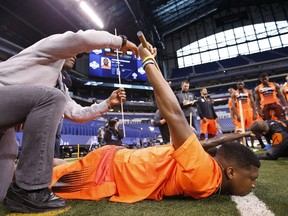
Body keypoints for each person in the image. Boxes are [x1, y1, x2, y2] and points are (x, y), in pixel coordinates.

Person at [50, 41, 260, 202]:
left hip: (116, 162)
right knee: (40, 182)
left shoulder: (203, 163)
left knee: (54, 167)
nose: (253, 186)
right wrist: (147, 60)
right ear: (231, 172)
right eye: (252, 179)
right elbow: (173, 114)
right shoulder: (205, 176)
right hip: (107, 171)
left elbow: (208, 141)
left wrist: (152, 62)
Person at [0, 29, 138, 213]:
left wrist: (107, 104)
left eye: (78, 54)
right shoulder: (50, 47)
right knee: (52, 98)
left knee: (3, 187)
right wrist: (121, 42)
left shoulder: (57, 83)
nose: (75, 55)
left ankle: (20, 191)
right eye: (74, 52)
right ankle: (28, 190)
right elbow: (82, 39)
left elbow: (77, 113)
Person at [55, 57, 74, 158]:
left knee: (57, 137)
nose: (74, 56)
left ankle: (55, 157)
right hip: (48, 113)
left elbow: (69, 83)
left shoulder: (63, 75)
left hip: (59, 114)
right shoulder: (50, 70)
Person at [231, 80, 257, 147]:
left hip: (249, 112)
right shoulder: (234, 93)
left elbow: (253, 102)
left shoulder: (248, 92)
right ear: (237, 85)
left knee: (252, 129)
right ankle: (242, 146)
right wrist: (237, 115)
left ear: (243, 85)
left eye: (241, 84)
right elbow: (233, 106)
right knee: (239, 130)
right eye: (239, 84)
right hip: (240, 112)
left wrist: (255, 112)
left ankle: (252, 145)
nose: (240, 85)